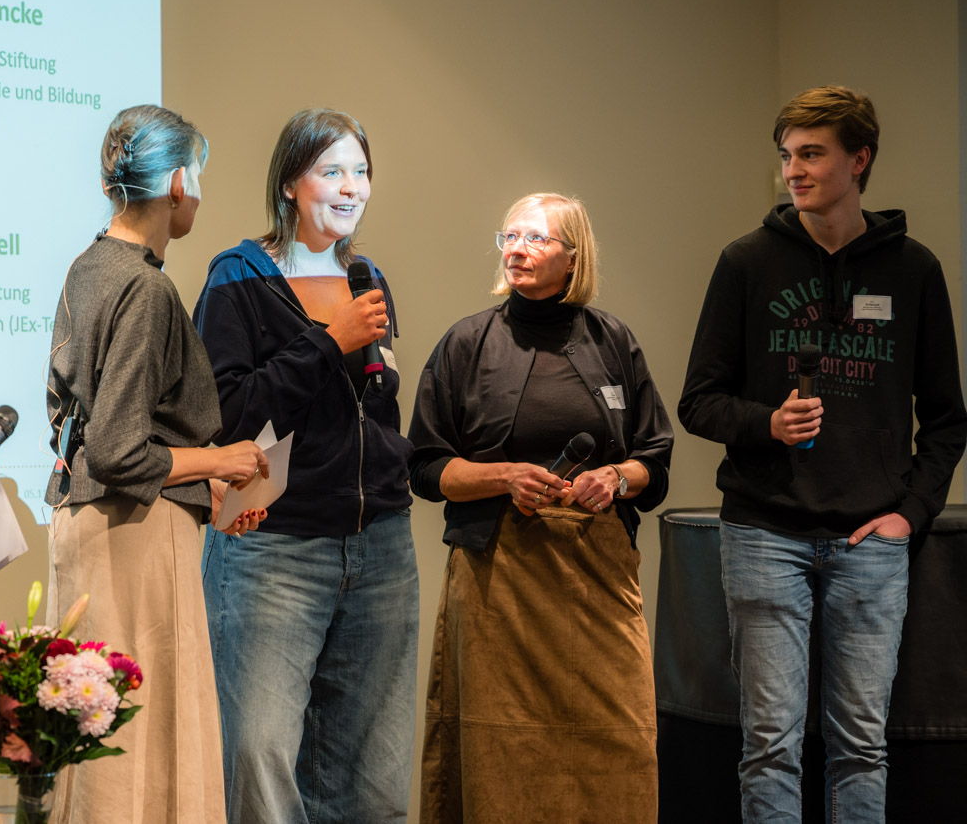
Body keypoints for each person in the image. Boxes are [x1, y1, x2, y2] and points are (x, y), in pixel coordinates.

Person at [678, 85, 967, 822]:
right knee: (770, 743)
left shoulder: (914, 271)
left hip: (871, 540)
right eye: (786, 156)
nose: (793, 171)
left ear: (859, 159)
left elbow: (945, 419)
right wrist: (766, 424)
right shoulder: (746, 262)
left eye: (812, 154)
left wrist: (911, 513)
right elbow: (699, 400)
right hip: (763, 534)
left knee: (861, 746)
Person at [408, 192, 673, 823]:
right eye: (509, 237)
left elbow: (654, 461)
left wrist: (615, 477)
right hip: (499, 581)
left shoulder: (613, 341)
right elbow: (423, 465)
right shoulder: (466, 344)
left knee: (619, 734)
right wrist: (502, 478)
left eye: (535, 238)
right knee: (499, 741)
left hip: (598, 582)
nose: (517, 249)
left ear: (572, 255)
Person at [191, 108, 419, 823]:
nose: (350, 187)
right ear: (290, 183)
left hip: (380, 546)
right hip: (275, 549)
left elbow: (374, 404)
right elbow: (227, 416)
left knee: (374, 774)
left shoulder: (366, 274)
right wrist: (328, 340)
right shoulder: (238, 275)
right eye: (331, 171)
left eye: (361, 171)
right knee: (260, 757)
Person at [44, 104, 268, 824]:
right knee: (135, 749)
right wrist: (222, 461)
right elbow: (118, 448)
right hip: (132, 537)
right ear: (176, 182)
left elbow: (96, 431)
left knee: (98, 737)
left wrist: (204, 486)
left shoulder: (88, 267)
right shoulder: (145, 286)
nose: (198, 189)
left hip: (93, 524)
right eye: (196, 172)